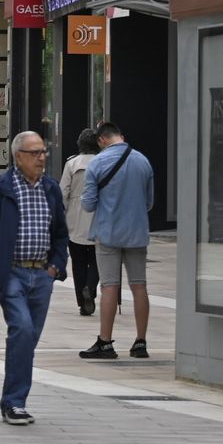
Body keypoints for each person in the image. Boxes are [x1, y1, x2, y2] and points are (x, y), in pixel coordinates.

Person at [0, 131, 70, 426]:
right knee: (21, 330)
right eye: (35, 153)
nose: (42, 157)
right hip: (11, 273)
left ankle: (14, 398)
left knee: (28, 338)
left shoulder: (50, 189)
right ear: (18, 156)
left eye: (43, 151)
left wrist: (56, 266)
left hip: (42, 274)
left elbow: (61, 232)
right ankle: (14, 403)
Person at [78, 122, 156, 359]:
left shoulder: (97, 163)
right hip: (136, 233)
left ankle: (105, 342)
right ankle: (140, 341)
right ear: (121, 136)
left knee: (109, 286)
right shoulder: (143, 161)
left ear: (101, 140)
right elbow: (149, 202)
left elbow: (88, 204)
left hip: (108, 232)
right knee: (139, 285)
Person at [61, 129, 101, 317]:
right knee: (97, 259)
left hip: (75, 218)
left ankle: (82, 302)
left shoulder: (71, 163)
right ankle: (90, 290)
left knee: (78, 262)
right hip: (98, 216)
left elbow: (63, 193)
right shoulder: (104, 163)